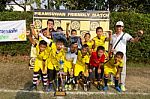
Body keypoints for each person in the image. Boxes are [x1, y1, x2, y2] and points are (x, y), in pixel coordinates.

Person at [109, 21, 144, 91]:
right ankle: (112, 81)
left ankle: (122, 84)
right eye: (118, 26)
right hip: (114, 55)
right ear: (116, 27)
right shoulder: (113, 36)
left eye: (120, 26)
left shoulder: (126, 35)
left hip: (122, 56)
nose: (119, 28)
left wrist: (139, 35)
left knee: (122, 70)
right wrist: (109, 52)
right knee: (113, 68)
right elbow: (110, 45)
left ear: (122, 27)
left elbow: (134, 40)